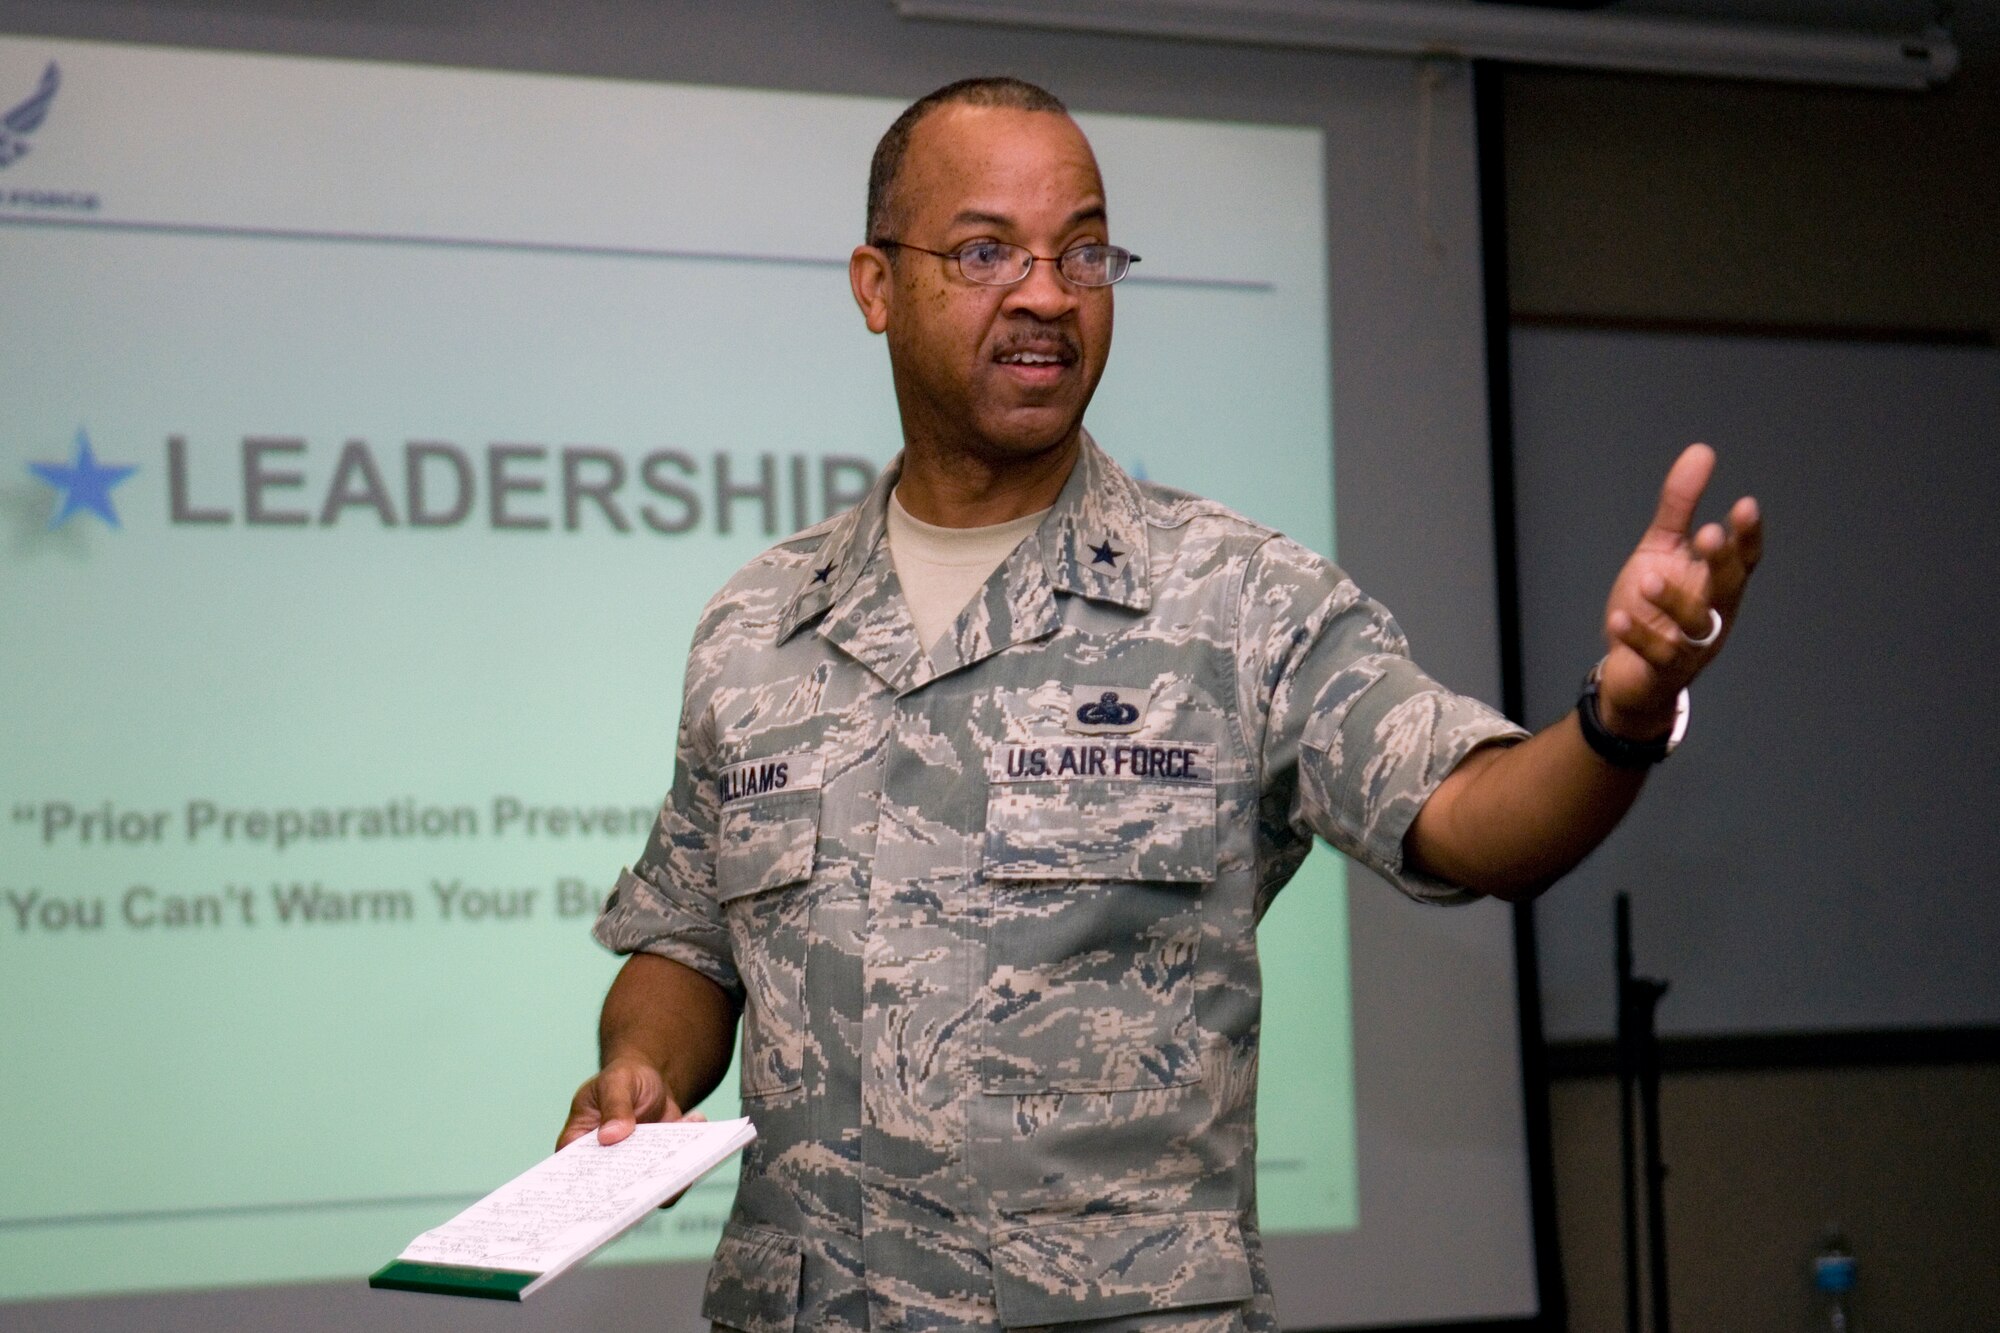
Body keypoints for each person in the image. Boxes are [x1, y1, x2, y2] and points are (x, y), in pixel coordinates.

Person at [557, 77, 1761, 1332]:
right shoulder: (759, 624)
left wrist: (1623, 712)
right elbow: (686, 942)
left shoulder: (1234, 598)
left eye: (1082, 250)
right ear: (874, 284)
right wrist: (639, 1067)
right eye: (985, 251)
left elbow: (1474, 818)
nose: (1045, 293)